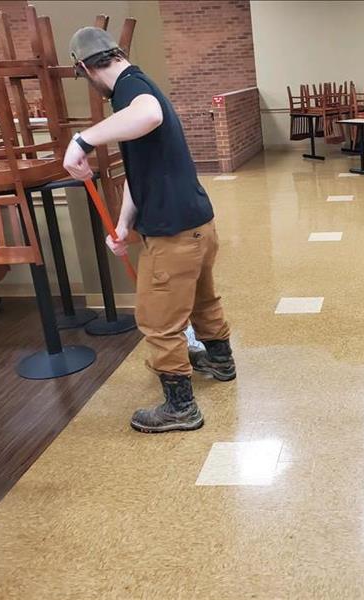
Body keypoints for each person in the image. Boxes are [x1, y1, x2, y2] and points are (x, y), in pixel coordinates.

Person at [63, 27, 236, 433]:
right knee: (202, 300)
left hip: (173, 236)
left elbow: (149, 115)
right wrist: (123, 224)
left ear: (85, 68)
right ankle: (220, 360)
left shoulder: (128, 90)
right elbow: (141, 174)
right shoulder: (138, 85)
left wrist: (82, 141)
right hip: (198, 226)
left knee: (158, 321)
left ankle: (181, 408)